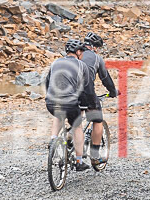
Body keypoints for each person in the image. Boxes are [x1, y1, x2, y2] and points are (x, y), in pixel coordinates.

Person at [45, 39, 96, 171]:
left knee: (58, 114)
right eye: (82, 52)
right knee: (77, 126)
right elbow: (87, 89)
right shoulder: (81, 65)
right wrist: (91, 104)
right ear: (78, 52)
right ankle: (79, 161)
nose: (83, 55)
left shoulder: (55, 62)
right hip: (70, 103)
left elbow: (47, 83)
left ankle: (53, 139)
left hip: (51, 101)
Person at [81, 31, 117, 164]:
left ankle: (70, 141)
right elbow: (106, 79)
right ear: (95, 47)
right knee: (97, 120)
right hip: (86, 93)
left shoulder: (73, 54)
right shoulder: (97, 59)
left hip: (66, 92)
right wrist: (113, 91)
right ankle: (95, 157)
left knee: (76, 117)